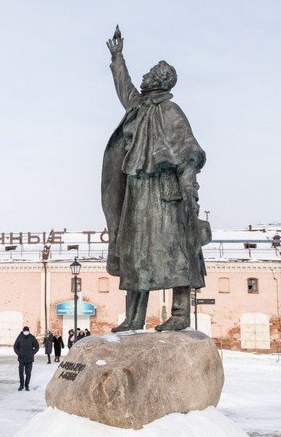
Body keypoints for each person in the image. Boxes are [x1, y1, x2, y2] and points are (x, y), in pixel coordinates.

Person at [103, 26, 208, 332]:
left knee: (177, 251)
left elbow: (188, 151)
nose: (145, 76)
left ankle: (180, 314)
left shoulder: (171, 111)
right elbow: (125, 88)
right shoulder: (139, 107)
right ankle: (134, 317)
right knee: (135, 252)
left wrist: (190, 192)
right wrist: (118, 57)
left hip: (166, 192)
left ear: (159, 80)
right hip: (137, 189)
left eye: (150, 73)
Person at [13, 326, 39, 391]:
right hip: (21, 359)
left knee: (28, 372)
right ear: (23, 331)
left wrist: (32, 353)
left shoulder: (32, 337)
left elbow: (37, 347)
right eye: (25, 331)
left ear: (29, 331)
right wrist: (19, 353)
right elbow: (15, 347)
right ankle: (21, 385)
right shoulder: (19, 337)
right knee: (21, 372)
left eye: (27, 331)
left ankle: (27, 385)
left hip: (29, 359)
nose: (26, 332)